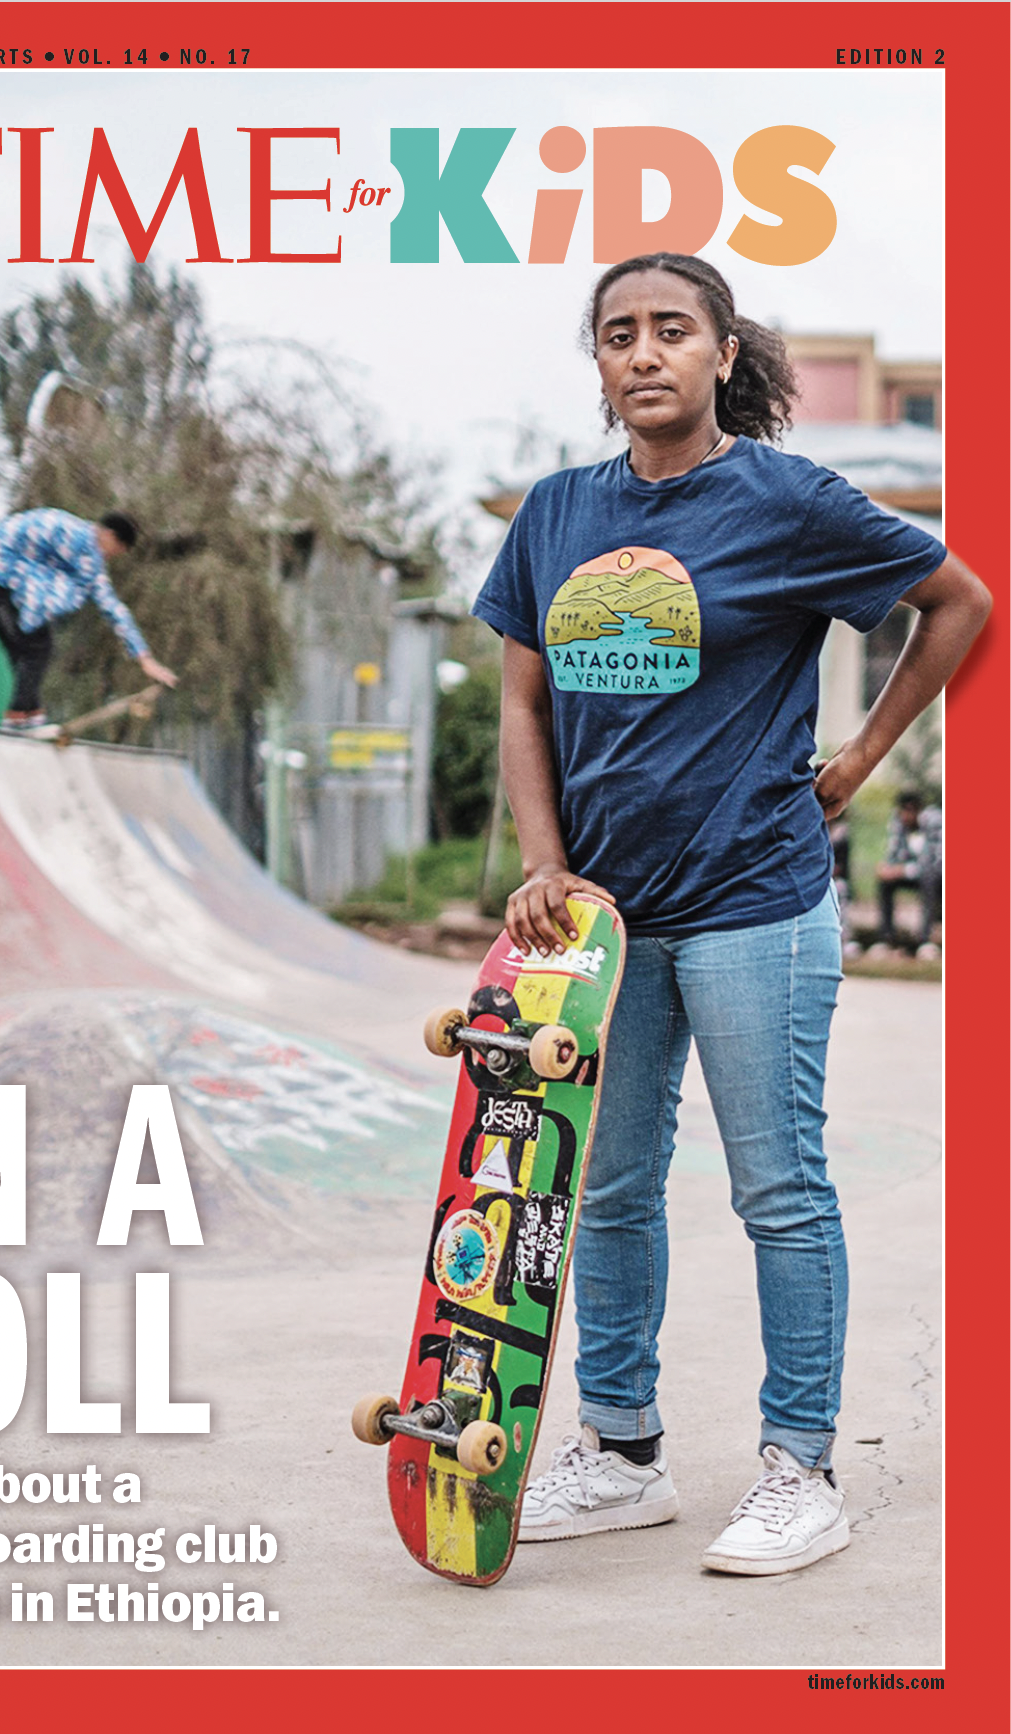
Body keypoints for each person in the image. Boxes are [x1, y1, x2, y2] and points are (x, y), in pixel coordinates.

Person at [471, 253, 989, 1576]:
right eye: (617, 334)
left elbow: (960, 600)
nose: (643, 353)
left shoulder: (783, 498)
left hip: (755, 898)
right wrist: (544, 859)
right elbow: (524, 702)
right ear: (598, 363)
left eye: (671, 331)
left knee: (779, 1186)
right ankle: (624, 1449)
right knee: (615, 1187)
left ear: (720, 352)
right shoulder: (555, 515)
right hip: (607, 924)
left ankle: (798, 1466)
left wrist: (863, 756)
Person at [0, 507, 178, 729]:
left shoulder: (72, 532)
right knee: (36, 648)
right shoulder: (83, 549)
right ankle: (18, 718)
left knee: (28, 648)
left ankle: (30, 712)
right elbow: (109, 604)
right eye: (118, 550)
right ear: (109, 536)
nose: (113, 556)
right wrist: (145, 659)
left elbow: (21, 541)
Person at [875, 792, 943, 950]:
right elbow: (894, 853)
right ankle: (886, 939)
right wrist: (887, 867)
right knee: (885, 882)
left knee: (929, 878)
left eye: (908, 812)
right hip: (913, 873)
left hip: (937, 875)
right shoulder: (898, 822)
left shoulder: (934, 822)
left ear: (917, 810)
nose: (905, 816)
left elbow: (935, 863)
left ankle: (925, 940)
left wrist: (902, 870)